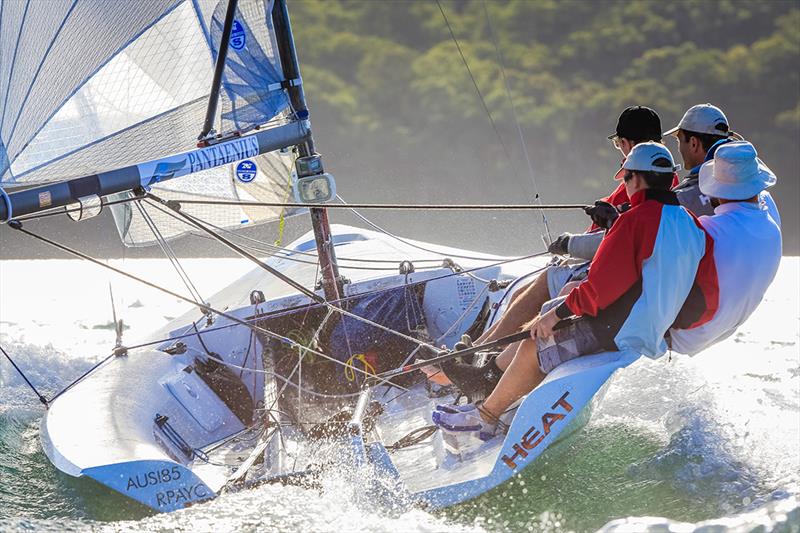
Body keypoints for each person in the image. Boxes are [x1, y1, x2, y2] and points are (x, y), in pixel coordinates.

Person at [432, 142, 718, 438]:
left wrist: (555, 317)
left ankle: (486, 416)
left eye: (627, 178)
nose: (627, 186)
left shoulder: (634, 221)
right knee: (553, 308)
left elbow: (600, 289)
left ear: (637, 178)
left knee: (537, 338)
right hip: (653, 331)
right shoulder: (691, 222)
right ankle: (491, 383)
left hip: (621, 330)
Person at [474, 106, 665, 348]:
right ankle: (481, 349)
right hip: (604, 266)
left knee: (546, 281)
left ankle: (483, 353)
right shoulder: (661, 177)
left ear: (626, 143)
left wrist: (569, 243)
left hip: (607, 274)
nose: (620, 151)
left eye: (618, 144)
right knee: (519, 291)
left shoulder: (643, 180)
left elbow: (626, 237)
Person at [668, 141, 781, 355]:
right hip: (723, 330)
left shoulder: (707, 229)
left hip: (683, 338)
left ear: (715, 189)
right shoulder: (772, 224)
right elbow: (763, 199)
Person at [665, 103, 781, 226]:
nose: (679, 147)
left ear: (693, 143)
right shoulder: (763, 196)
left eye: (679, 139)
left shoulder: (679, 201)